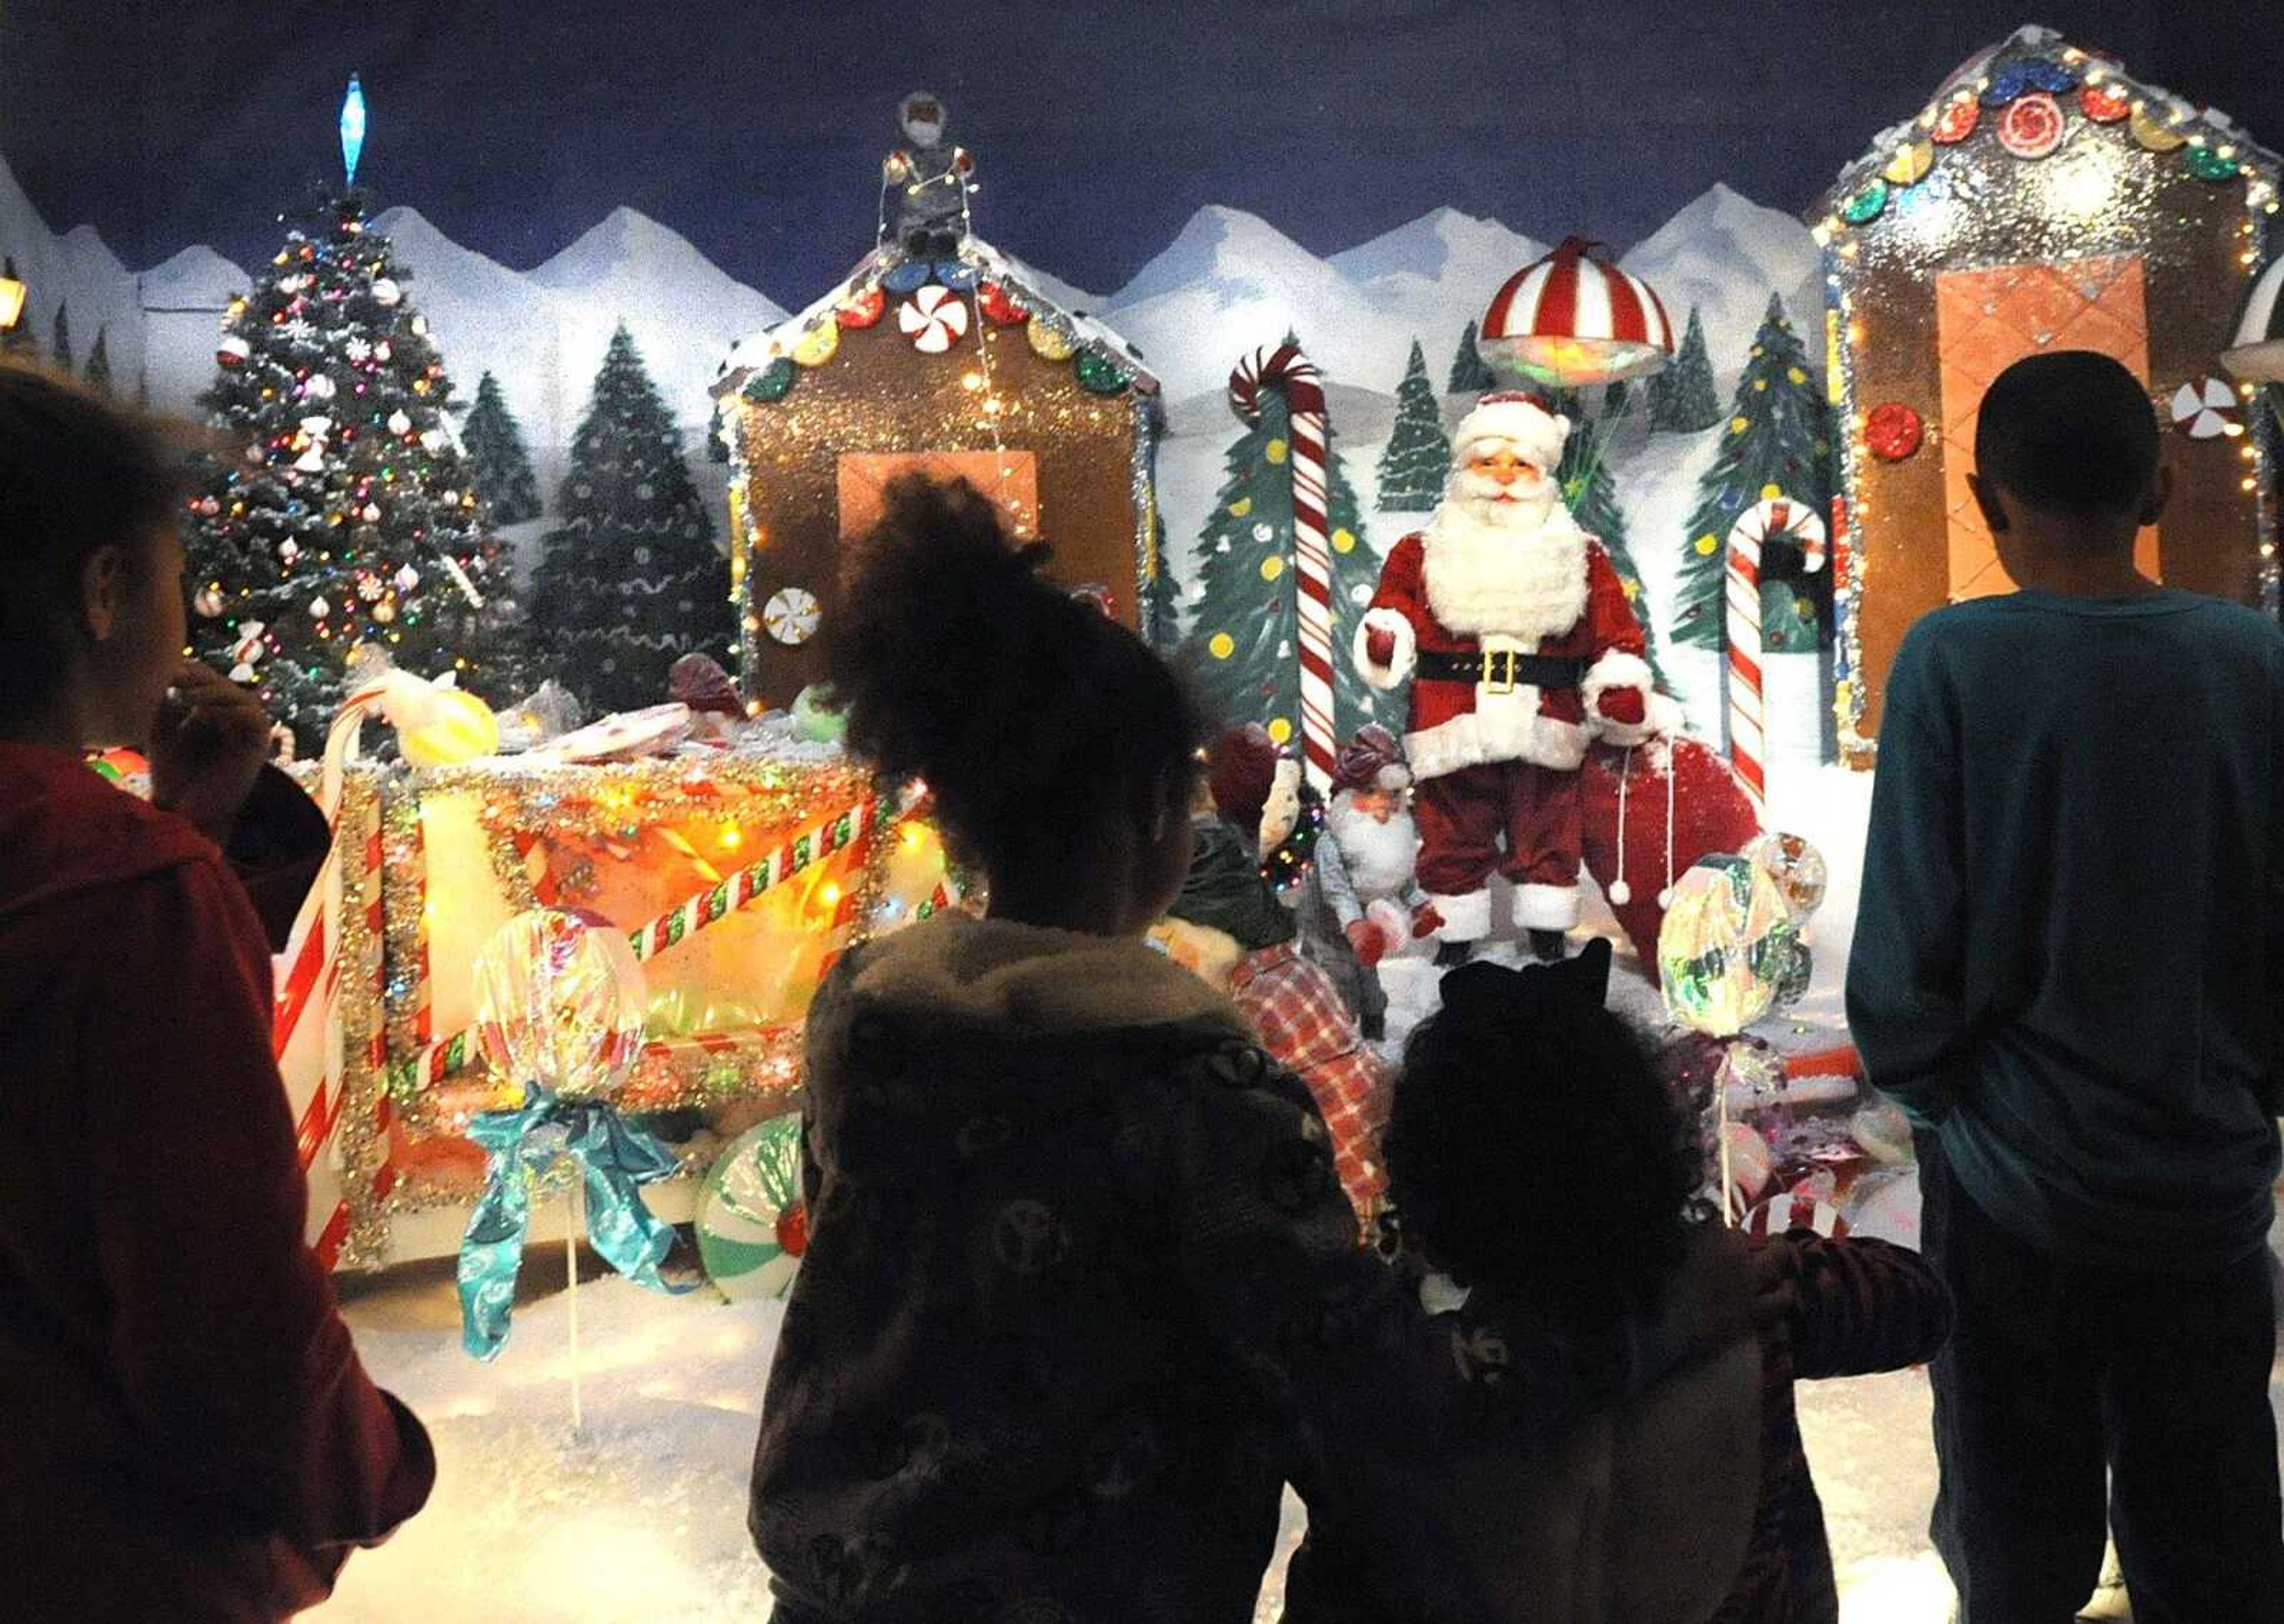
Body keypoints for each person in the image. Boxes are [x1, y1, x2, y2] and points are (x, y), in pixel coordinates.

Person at [749, 475, 1783, 1623]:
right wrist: (1651, 1323)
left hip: (832, 1593)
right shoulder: (1193, 1092)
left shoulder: (869, 1018)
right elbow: (1366, 1391)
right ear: (1154, 819)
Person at [1847, 350, 2284, 1623]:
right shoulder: (2252, 662)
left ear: (1987, 501)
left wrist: (1939, 1102)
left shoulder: (1949, 662)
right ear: (2156, 491)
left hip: (2007, 1190)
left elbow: (1906, 948)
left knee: (2012, 1518)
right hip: (2204, 1179)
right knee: (2215, 1527)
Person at [0, 365, 434, 1622]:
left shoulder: (117, 879)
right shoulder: (132, 894)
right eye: (178, 577)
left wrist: (189, 825)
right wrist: (372, 1466)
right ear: (102, 591)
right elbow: (226, 1331)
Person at [1289, 942, 1952, 1623]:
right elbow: (1920, 1305)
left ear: (1432, 1182)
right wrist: (1772, 1264)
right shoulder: (1762, 1299)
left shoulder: (1420, 1384)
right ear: (1648, 1143)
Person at [1353, 392, 1668, 963]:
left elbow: (1616, 632)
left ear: (1542, 469)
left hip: (1545, 720)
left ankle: (1547, 934)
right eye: (1487, 462)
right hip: (1452, 720)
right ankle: (1456, 938)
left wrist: (1618, 681)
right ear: (1465, 467)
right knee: (1451, 828)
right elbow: (1392, 608)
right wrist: (1386, 638)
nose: (1503, 477)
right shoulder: (1420, 550)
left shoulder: (1579, 552)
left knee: (1549, 825)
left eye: (1519, 463)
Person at [1314, 724, 1431, 1040]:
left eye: (1392, 795)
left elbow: (1401, 877)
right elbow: (1336, 890)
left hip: (1369, 933)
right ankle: (1337, 1036)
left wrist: (1420, 906)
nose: (1383, 803)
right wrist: (1354, 925)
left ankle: (1374, 1027)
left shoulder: (1391, 833)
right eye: (1370, 793)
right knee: (1339, 980)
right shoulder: (1333, 841)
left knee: (1368, 978)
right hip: (1331, 929)